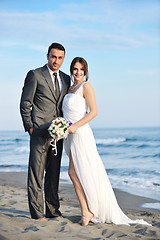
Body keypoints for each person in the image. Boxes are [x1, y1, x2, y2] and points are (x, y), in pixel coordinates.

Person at [62, 57, 151, 226]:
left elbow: (93, 112)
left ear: (85, 71)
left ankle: (87, 212)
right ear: (71, 70)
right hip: (70, 136)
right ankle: (87, 210)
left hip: (80, 134)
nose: (78, 72)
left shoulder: (85, 86)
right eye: (75, 68)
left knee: (77, 173)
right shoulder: (70, 88)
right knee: (75, 173)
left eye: (81, 69)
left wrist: (74, 127)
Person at [20, 43, 70, 220]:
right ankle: (36, 213)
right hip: (39, 132)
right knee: (36, 174)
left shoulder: (66, 78)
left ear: (63, 59)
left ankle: (53, 211)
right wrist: (30, 127)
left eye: (60, 57)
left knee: (53, 174)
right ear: (47, 56)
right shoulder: (35, 75)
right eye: (53, 56)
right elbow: (26, 103)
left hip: (58, 135)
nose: (56, 61)